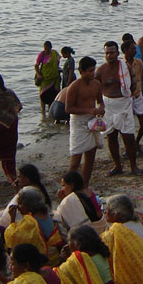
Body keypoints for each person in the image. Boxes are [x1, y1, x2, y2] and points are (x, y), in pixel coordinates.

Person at [95, 41, 141, 176]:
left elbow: (133, 84)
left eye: (112, 52)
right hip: (108, 106)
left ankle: (134, 166)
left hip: (123, 105)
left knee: (128, 137)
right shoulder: (101, 70)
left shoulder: (125, 67)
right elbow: (96, 89)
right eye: (107, 53)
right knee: (111, 136)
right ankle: (117, 165)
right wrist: (100, 104)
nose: (109, 56)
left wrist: (128, 97)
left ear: (117, 53)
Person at [62, 57, 104, 188]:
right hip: (78, 122)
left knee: (90, 157)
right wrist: (88, 110)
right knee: (75, 160)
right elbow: (68, 109)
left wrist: (101, 108)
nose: (93, 73)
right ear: (81, 71)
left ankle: (84, 185)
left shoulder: (96, 84)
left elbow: (100, 101)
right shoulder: (74, 87)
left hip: (92, 121)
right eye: (90, 71)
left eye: (94, 70)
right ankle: (66, 186)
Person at [4, 187, 64, 266]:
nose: (18, 207)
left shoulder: (30, 222)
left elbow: (12, 240)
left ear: (28, 205)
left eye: (20, 204)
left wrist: (12, 219)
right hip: (55, 258)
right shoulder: (47, 214)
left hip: (45, 262)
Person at [54, 170, 104, 236]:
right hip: (101, 226)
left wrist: (63, 199)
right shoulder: (89, 192)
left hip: (89, 232)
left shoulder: (70, 200)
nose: (62, 189)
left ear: (71, 185)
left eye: (63, 185)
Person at [34, 42, 60, 114]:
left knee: (52, 94)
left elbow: (58, 61)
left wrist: (55, 69)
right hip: (45, 78)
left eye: (48, 49)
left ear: (51, 48)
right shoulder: (41, 55)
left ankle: (50, 110)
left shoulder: (55, 53)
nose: (46, 50)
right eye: (45, 49)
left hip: (54, 78)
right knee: (43, 94)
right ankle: (43, 110)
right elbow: (36, 65)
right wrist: (38, 74)